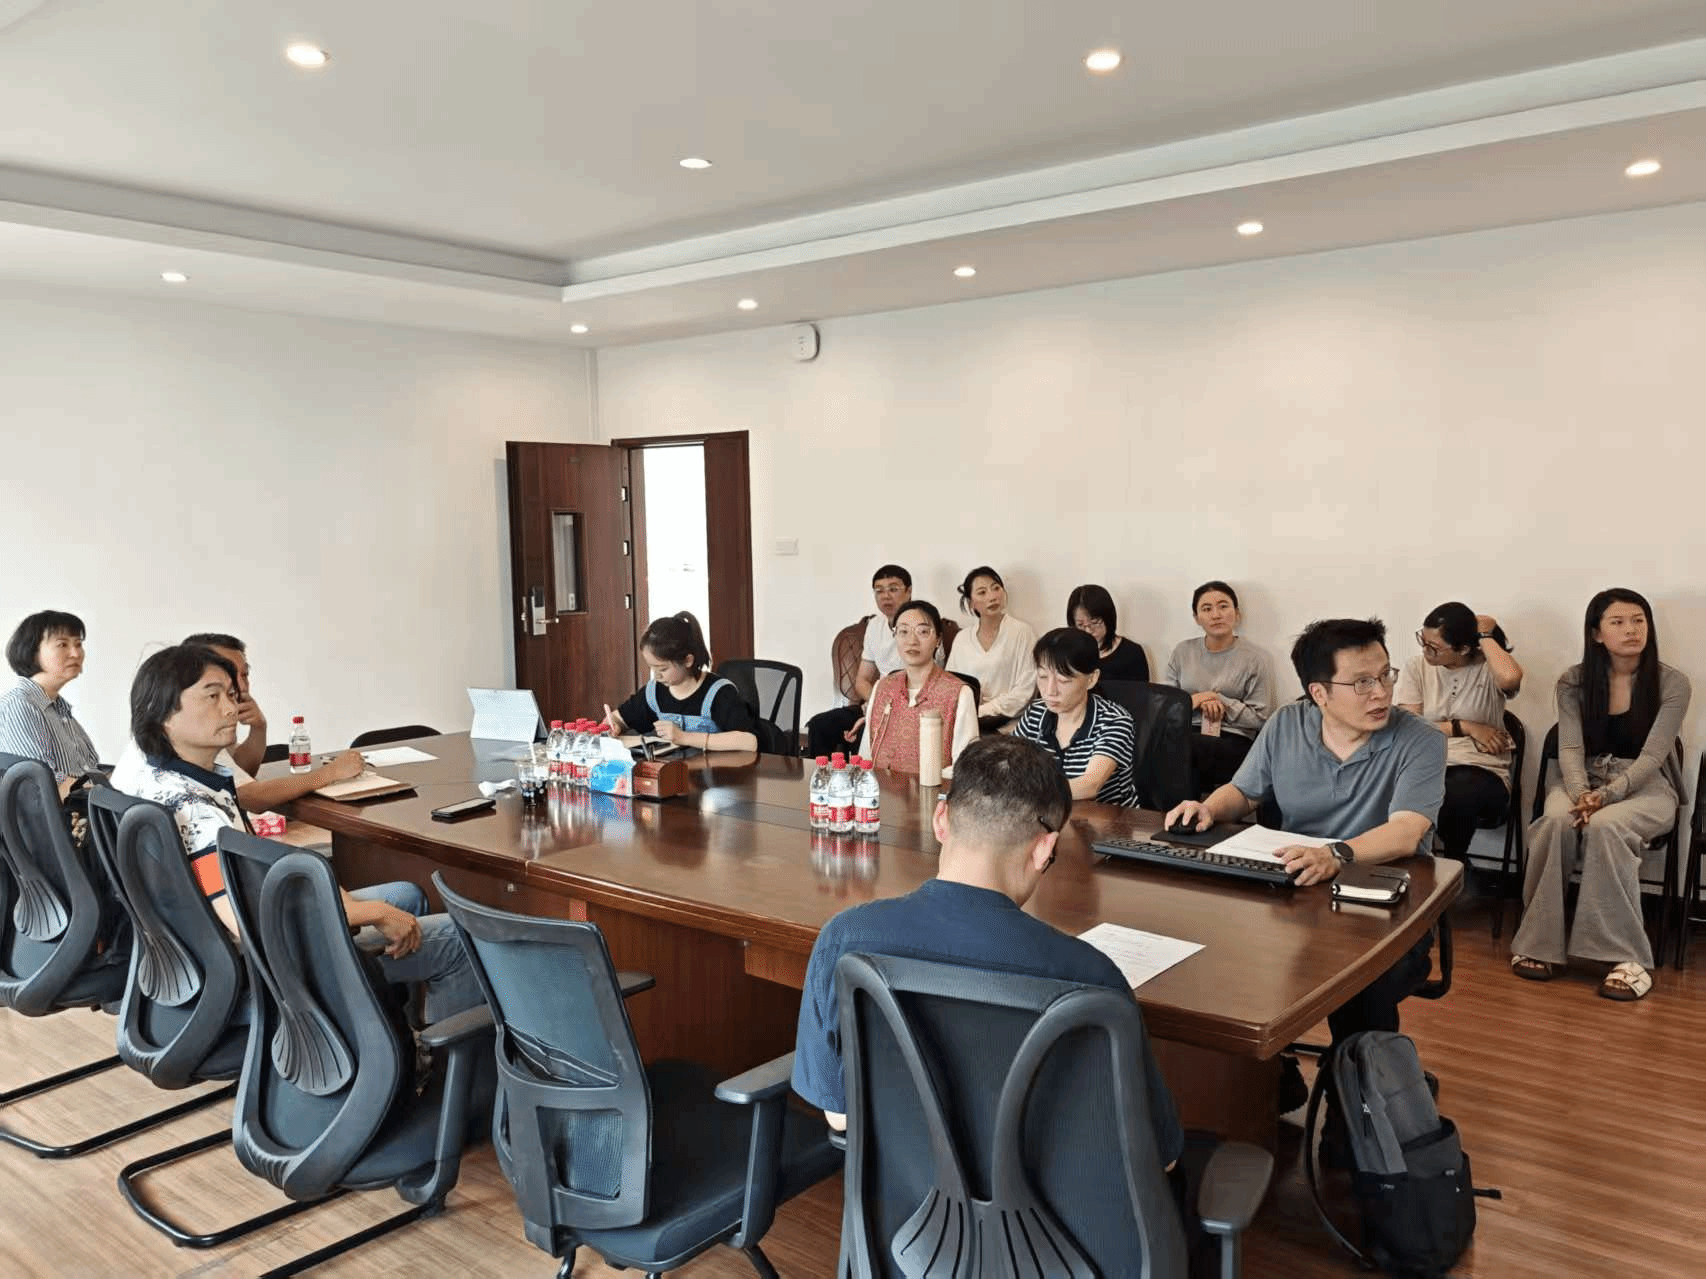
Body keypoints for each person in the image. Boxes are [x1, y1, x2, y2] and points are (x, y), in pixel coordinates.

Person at [792, 733, 1182, 1170]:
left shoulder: (846, 938)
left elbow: (841, 1116)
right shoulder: (1091, 974)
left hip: (910, 1209)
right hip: (1059, 1213)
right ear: (1045, 848)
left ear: (941, 819)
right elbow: (1159, 1158)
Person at [110, 644, 481, 1022]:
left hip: (204, 963)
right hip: (266, 973)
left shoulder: (164, 777)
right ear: (163, 713)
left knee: (404, 897)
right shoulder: (196, 812)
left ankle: (382, 1032)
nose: (230, 709)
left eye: (230, 695)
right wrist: (367, 911)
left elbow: (249, 877)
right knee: (460, 939)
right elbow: (244, 920)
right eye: (212, 696)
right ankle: (429, 1053)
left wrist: (353, 904)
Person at [1165, 618, 1445, 1053]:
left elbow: (1407, 832)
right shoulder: (1286, 724)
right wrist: (1208, 809)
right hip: (1297, 893)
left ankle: (1364, 1083)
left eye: (1385, 675)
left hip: (1383, 905)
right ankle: (1268, 1077)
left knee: (1358, 984)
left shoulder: (1420, 740)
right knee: (1220, 954)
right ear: (1319, 693)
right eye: (1362, 682)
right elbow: (1244, 792)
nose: (1381, 693)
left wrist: (1336, 854)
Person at [1510, 589, 1690, 1001]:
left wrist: (1605, 797)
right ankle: (1537, 944)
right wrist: (1581, 794)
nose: (1631, 630)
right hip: (1581, 779)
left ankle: (1628, 957)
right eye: (1618, 622)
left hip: (1645, 785)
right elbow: (1570, 748)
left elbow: (1653, 756)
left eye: (1639, 620)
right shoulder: (1573, 681)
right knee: (1555, 822)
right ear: (1596, 633)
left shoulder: (1673, 683)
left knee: (1606, 827)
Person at [113, 632, 365, 812]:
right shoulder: (187, 761)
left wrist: (258, 728)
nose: (240, 687)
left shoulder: (176, 746)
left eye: (243, 675)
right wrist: (330, 773)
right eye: (214, 692)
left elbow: (240, 774)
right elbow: (248, 797)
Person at [1393, 603, 1523, 872]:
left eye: (1434, 647)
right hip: (1428, 763)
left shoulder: (1489, 668)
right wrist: (1466, 727)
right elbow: (1410, 727)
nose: (1425, 651)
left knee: (1454, 792)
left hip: (1482, 769)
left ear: (1463, 649)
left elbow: (1510, 677)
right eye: (1423, 641)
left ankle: (1451, 866)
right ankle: (1436, 867)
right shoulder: (1417, 668)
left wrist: (1484, 634)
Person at [1164, 582, 1275, 794]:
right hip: (1188, 731)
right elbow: (1166, 708)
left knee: (1185, 751)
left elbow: (1260, 719)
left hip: (1233, 737)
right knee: (1163, 745)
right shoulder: (1182, 652)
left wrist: (1220, 701)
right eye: (1207, 609)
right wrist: (1200, 699)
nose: (1216, 615)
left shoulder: (1255, 658)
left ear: (1237, 613)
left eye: (1223, 606)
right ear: (1196, 618)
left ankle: (1188, 810)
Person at [1011, 627, 1140, 806]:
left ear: (1091, 679)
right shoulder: (1036, 712)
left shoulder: (1115, 721)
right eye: (1043, 676)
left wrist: (1027, 791)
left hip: (1109, 819)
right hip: (1050, 814)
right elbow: (1009, 763)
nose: (1050, 691)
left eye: (1063, 680)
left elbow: (1090, 785)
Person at [804, 565, 917, 758]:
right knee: (820, 725)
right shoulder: (874, 626)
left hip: (910, 708)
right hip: (876, 704)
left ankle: (864, 776)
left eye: (893, 589)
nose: (886, 596)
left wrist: (886, 708)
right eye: (879, 590)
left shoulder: (922, 625)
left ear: (909, 591)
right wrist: (877, 703)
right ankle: (824, 775)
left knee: (865, 732)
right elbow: (862, 680)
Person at [605, 611, 759, 752]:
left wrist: (683, 737)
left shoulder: (718, 693)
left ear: (687, 661)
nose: (657, 676)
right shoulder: (654, 692)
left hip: (717, 771)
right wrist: (614, 725)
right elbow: (618, 718)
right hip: (674, 770)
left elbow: (749, 742)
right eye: (652, 667)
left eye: (663, 669)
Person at [858, 600, 977, 776]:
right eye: (903, 631)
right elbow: (865, 756)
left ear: (938, 640)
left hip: (934, 791)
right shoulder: (882, 687)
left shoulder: (959, 693)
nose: (912, 641)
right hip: (880, 789)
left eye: (922, 632)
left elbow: (965, 768)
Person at [0, 609, 101, 786]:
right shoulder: (18, 705)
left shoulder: (59, 709)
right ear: (32, 652)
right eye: (63, 645)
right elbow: (38, 785)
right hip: (65, 805)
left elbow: (90, 770)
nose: (76, 653)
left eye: (78, 644)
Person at [946, 566, 1037, 731]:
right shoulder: (962, 639)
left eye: (996, 588)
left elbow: (1026, 689)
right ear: (971, 603)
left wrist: (982, 711)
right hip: (969, 724)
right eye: (982, 592)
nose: (992, 596)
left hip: (1010, 726)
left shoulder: (1022, 632)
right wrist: (970, 714)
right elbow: (951, 686)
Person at [1067, 583, 1149, 682]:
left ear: (1108, 618)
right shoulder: (1067, 653)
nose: (1088, 630)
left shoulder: (1132, 652)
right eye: (1080, 625)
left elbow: (1142, 691)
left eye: (1095, 622)